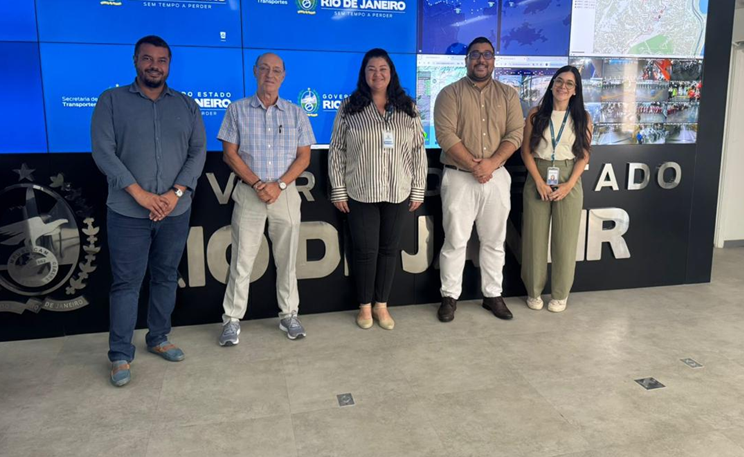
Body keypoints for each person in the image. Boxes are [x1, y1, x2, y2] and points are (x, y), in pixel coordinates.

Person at [91, 35, 206, 387]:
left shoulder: (187, 106)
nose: (154, 66)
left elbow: (197, 152)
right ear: (135, 61)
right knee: (127, 283)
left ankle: (158, 337)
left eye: (161, 60)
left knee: (166, 276)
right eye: (147, 59)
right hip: (128, 211)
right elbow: (103, 151)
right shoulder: (111, 101)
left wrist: (175, 193)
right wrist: (139, 194)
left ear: (169, 65)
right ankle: (120, 354)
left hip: (175, 210)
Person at [217, 53, 315, 346]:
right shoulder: (236, 110)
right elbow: (229, 154)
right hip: (250, 194)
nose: (269, 74)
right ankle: (231, 320)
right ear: (254, 72)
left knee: (287, 261)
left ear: (283, 76)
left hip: (285, 195)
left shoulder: (296, 113)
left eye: (276, 70)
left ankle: (289, 315)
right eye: (264, 69)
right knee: (241, 260)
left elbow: (304, 157)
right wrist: (259, 183)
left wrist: (280, 184)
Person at [329, 48, 427, 330]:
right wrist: (338, 189)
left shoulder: (408, 107)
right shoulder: (350, 107)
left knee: (388, 250)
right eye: (371, 69)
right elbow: (337, 149)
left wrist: (418, 188)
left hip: (398, 191)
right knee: (364, 251)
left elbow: (418, 150)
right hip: (362, 191)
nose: (377, 74)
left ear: (391, 73)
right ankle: (364, 306)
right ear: (364, 73)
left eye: (383, 69)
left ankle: (381, 305)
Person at [433, 36, 524, 322]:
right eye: (475, 55)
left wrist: (491, 164)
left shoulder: (508, 95)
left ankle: (492, 295)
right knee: (455, 241)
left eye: (487, 54)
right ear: (466, 60)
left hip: (496, 177)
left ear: (494, 61)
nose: (481, 60)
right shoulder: (449, 94)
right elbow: (445, 135)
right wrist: (475, 166)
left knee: (495, 240)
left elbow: (516, 134)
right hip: (459, 177)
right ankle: (449, 297)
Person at [520, 66, 592, 313]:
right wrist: (539, 181)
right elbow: (526, 152)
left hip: (569, 176)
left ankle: (560, 294)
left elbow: (584, 155)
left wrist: (569, 184)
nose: (563, 86)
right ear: (552, 85)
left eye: (569, 83)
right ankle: (534, 291)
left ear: (575, 90)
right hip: (538, 173)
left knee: (565, 240)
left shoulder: (583, 117)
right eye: (559, 81)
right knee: (534, 239)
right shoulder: (536, 114)